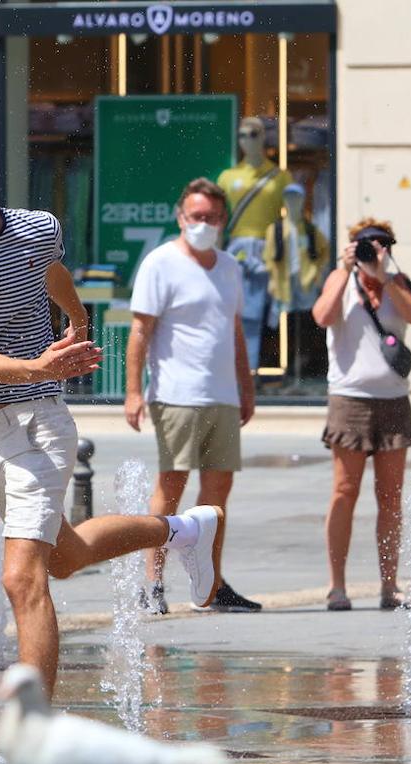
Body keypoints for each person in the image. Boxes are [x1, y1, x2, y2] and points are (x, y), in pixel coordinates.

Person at [0, 121, 226, 697]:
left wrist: (78, 321)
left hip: (39, 424)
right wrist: (40, 363)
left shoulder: (35, 229)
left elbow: (50, 273)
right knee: (64, 556)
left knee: (22, 578)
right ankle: (184, 529)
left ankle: (32, 739)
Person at [124, 178, 259, 615]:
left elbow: (234, 332)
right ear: (181, 217)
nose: (205, 223)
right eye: (197, 216)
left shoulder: (229, 266)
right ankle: (152, 583)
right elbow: (140, 331)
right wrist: (132, 391)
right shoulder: (160, 263)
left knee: (217, 497)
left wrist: (246, 386)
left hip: (221, 395)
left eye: (213, 217)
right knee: (171, 489)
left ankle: (211, 586)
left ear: (223, 221)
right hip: (176, 395)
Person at [311, 218, 411, 611]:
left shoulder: (399, 282)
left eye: (381, 244)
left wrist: (386, 276)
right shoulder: (339, 282)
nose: (373, 250)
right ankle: (337, 586)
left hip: (393, 400)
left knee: (390, 497)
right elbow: (322, 317)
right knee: (345, 492)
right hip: (350, 400)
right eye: (365, 244)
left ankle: (389, 586)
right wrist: (345, 271)